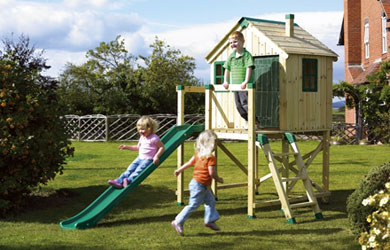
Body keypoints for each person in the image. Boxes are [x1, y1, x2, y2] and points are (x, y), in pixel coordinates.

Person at [171, 130, 224, 236]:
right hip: (199, 185)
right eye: (215, 143)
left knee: (210, 201)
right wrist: (218, 179)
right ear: (211, 144)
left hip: (199, 184)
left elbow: (189, 163)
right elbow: (211, 173)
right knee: (193, 205)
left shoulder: (198, 154)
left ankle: (209, 220)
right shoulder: (210, 158)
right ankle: (178, 221)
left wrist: (179, 170)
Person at [108, 116, 165, 189]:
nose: (141, 131)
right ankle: (118, 181)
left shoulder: (154, 138)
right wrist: (127, 147)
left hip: (148, 159)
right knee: (129, 169)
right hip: (139, 158)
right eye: (140, 129)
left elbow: (162, 147)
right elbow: (138, 148)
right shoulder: (142, 137)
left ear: (150, 128)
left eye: (143, 129)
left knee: (138, 171)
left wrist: (156, 156)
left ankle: (128, 180)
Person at [223, 30, 255, 123]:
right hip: (235, 86)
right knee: (238, 105)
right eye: (231, 42)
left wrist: (245, 81)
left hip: (243, 86)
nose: (233, 44)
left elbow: (249, 68)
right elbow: (227, 68)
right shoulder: (231, 56)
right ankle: (248, 120)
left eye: (235, 42)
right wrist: (225, 81)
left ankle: (254, 121)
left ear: (242, 42)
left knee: (245, 104)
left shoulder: (246, 55)